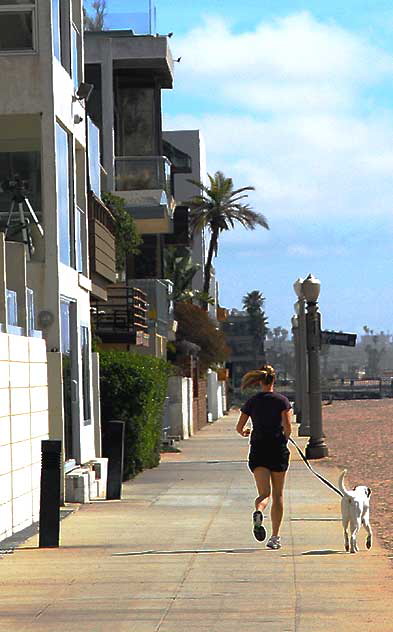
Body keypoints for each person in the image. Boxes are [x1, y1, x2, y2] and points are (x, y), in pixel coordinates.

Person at [236, 365, 292, 550]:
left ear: (260, 381)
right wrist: (283, 438)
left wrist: (245, 432)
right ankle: (275, 537)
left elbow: (240, 427)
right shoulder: (282, 401)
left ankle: (259, 511)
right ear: (274, 380)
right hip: (277, 449)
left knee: (264, 494)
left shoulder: (252, 402)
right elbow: (288, 427)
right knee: (278, 494)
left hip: (258, 450)